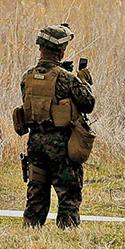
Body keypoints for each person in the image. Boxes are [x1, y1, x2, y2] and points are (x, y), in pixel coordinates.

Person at [19, 24, 95, 229]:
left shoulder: (27, 77)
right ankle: (68, 232)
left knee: (37, 190)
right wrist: (83, 81)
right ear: (61, 52)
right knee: (69, 192)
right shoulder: (67, 79)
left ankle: (31, 230)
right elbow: (88, 103)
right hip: (61, 143)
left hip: (35, 142)